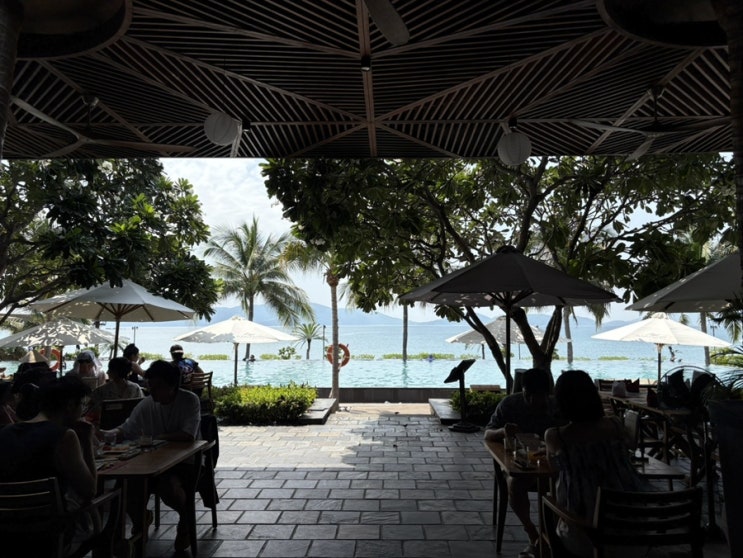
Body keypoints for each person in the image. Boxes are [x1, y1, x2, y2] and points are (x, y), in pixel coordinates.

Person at [544, 370, 649, 558]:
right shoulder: (615, 425)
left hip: (589, 538)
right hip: (637, 533)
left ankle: (537, 546)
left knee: (549, 504)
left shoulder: (557, 436)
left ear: (560, 401)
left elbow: (552, 470)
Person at [105, 360, 201, 551]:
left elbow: (188, 434)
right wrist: (107, 434)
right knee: (125, 487)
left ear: (172, 386)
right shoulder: (147, 404)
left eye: (157, 387)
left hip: (184, 461)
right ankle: (139, 521)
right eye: (150, 386)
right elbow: (126, 429)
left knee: (169, 487)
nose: (152, 391)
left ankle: (186, 517)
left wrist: (156, 438)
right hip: (151, 461)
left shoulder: (189, 400)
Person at [0, 376, 99, 555]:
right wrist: (86, 440)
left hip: (7, 537)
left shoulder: (6, 433)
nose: (83, 412)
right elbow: (89, 490)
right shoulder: (64, 436)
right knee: (97, 516)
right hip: (50, 539)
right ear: (70, 405)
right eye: (83, 406)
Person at [483, 368, 560, 558]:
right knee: (515, 484)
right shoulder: (510, 404)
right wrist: (503, 431)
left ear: (548, 394)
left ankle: (552, 537)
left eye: (539, 396)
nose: (532, 401)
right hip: (520, 465)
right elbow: (488, 434)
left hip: (551, 467)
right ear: (523, 391)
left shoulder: (557, 408)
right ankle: (533, 535)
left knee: (559, 485)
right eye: (528, 395)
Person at [87, 357, 143, 423]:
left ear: (116, 372)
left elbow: (90, 410)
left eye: (110, 369)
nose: (107, 372)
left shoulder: (101, 391)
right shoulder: (135, 388)